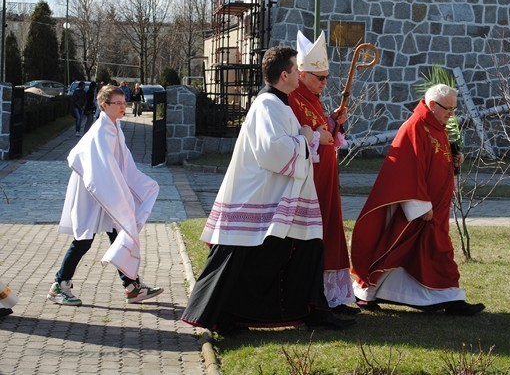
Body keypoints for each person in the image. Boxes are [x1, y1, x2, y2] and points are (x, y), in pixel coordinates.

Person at [181, 46, 355, 333]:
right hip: (259, 195)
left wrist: (306, 137)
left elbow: (283, 143)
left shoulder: (280, 103)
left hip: (280, 194)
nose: (301, 73)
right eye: (296, 69)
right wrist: (307, 138)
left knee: (305, 248)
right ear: (284, 74)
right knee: (244, 260)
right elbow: (272, 151)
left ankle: (309, 311)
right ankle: (222, 315)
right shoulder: (267, 105)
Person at [350, 84, 485, 316]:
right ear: (432, 105)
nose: (452, 114)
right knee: (398, 251)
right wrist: (420, 205)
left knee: (427, 253)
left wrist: (454, 161)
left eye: (454, 108)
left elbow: (435, 160)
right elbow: (406, 169)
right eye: (448, 108)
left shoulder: (437, 126)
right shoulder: (414, 127)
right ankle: (368, 293)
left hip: (435, 209)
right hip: (421, 210)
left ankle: (447, 298)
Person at [48, 84, 163, 306]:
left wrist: (140, 184)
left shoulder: (114, 127)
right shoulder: (101, 131)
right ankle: (59, 285)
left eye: (124, 103)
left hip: (107, 190)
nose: (123, 107)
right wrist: (118, 193)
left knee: (117, 232)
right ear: (104, 105)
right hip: (93, 192)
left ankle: (132, 287)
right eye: (118, 104)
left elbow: (123, 162)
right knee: (83, 240)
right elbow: (97, 166)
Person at [288, 31, 359, 315]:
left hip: (326, 179)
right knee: (311, 234)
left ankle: (331, 295)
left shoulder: (314, 98)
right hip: (308, 181)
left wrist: (333, 120)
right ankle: (310, 293)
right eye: (320, 77)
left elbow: (322, 130)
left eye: (327, 77)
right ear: (302, 74)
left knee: (329, 231)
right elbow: (296, 137)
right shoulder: (292, 98)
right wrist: (320, 135)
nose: (325, 83)